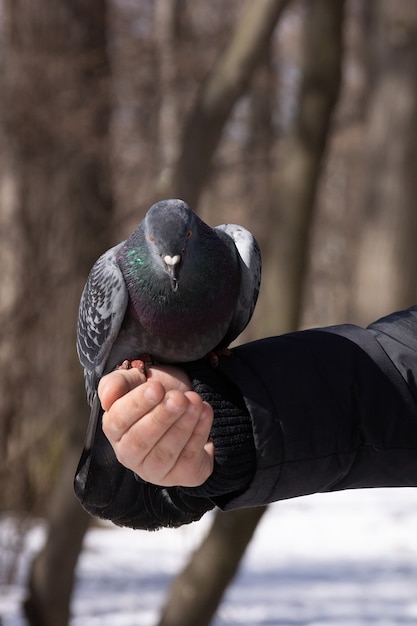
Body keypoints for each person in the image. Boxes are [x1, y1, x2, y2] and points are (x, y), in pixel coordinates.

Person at [74, 306, 417, 530]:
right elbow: (399, 369)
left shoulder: (233, 254)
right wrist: (223, 405)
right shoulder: (116, 271)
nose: (173, 264)